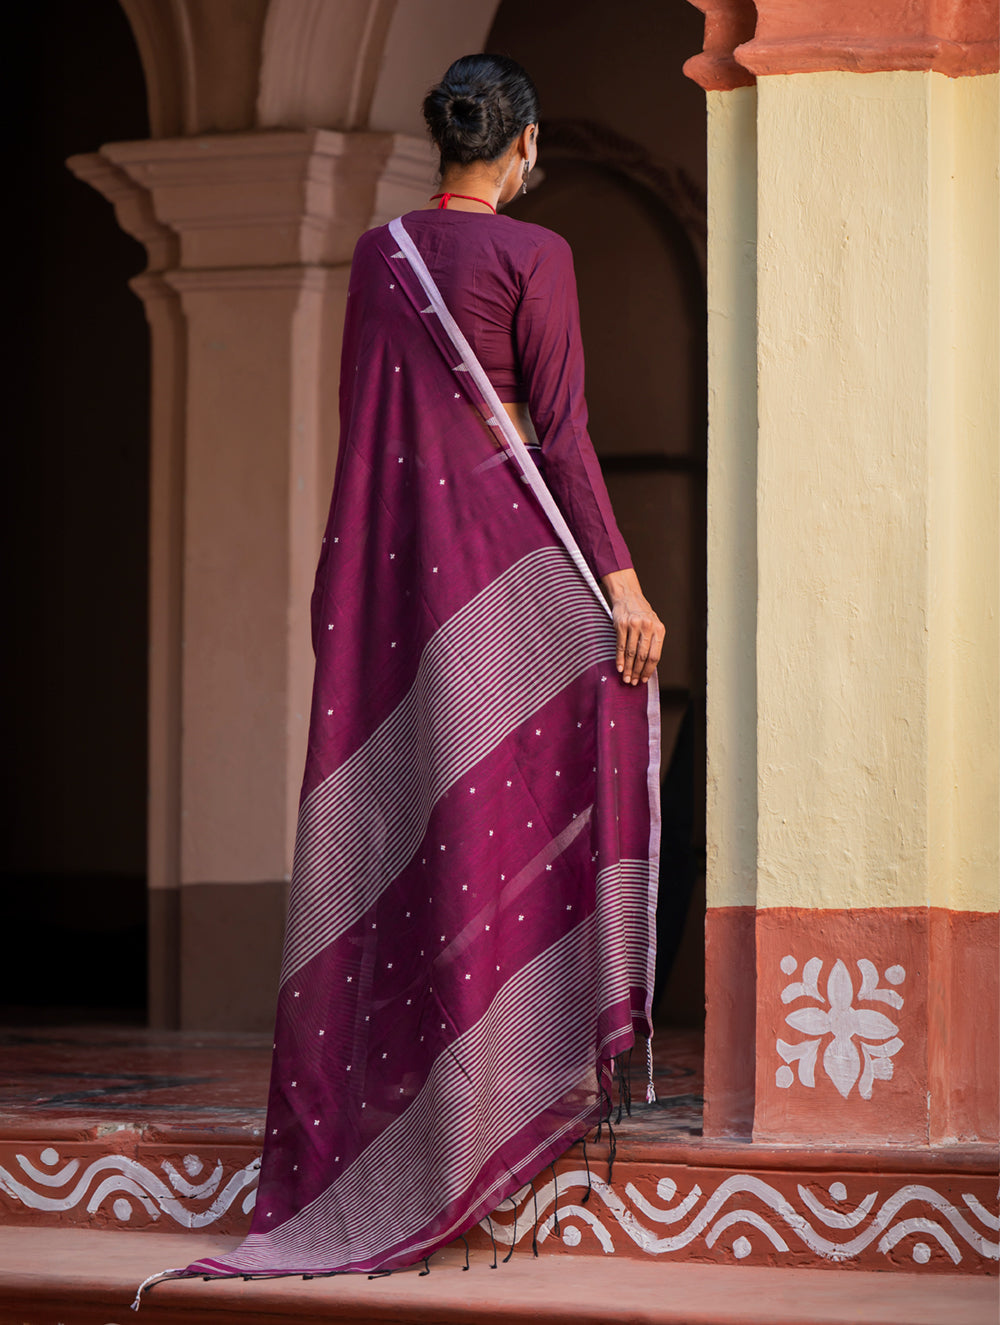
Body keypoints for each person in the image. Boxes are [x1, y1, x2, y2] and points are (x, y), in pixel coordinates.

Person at [133, 53, 664, 1305]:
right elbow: (566, 430)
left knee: (422, 827)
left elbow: (373, 431)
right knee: (591, 705)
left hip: (401, 581)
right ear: (522, 145)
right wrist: (624, 582)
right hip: (504, 565)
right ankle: (520, 1080)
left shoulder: (382, 255)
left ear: (445, 145)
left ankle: (428, 1113)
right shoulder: (539, 258)